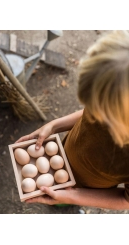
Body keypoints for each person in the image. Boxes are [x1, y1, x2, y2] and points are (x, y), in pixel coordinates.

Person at [16, 30, 129, 210]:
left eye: (103, 113)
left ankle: (65, 204)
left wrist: (73, 196)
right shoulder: (116, 94)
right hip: (68, 152)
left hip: (88, 187)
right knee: (57, 188)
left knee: (60, 200)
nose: (94, 114)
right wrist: (54, 126)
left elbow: (125, 200)